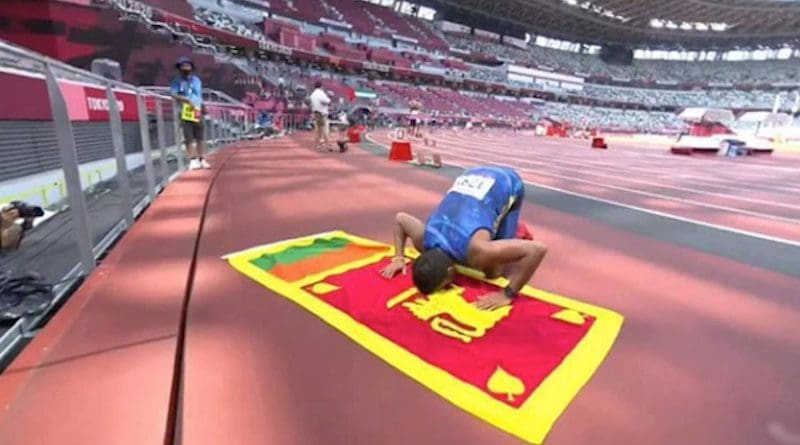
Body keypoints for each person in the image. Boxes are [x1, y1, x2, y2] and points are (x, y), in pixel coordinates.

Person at [380, 166, 547, 310]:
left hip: (506, 181)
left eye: (444, 286)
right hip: (471, 174)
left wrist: (508, 294)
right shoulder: (422, 239)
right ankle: (492, 225)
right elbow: (400, 218)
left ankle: (517, 232)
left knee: (494, 272)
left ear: (451, 271)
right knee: (487, 256)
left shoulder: (478, 251)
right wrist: (398, 258)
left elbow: (538, 250)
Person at [171, 57, 209, 170]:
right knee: (188, 137)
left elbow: (199, 95)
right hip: (185, 112)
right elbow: (173, 94)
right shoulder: (176, 81)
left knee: (200, 137)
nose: (185, 68)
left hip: (197, 111)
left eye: (187, 66)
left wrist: (203, 106)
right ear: (179, 68)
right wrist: (186, 100)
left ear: (191, 67)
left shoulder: (196, 80)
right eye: (183, 66)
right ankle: (192, 160)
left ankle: (202, 159)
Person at [309, 81, 332, 151]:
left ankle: (319, 145)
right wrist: (328, 96)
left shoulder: (312, 94)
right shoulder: (321, 93)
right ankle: (327, 146)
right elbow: (327, 101)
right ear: (321, 86)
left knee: (318, 130)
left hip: (316, 113)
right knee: (325, 130)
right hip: (322, 113)